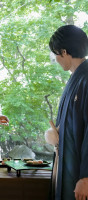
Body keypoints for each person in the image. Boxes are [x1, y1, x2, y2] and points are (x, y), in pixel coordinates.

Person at [47, 25, 88, 200]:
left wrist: (86, 177)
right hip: (67, 161)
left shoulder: (85, 79)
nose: (56, 59)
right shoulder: (75, 77)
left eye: (55, 54)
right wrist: (55, 133)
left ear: (64, 52)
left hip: (80, 170)